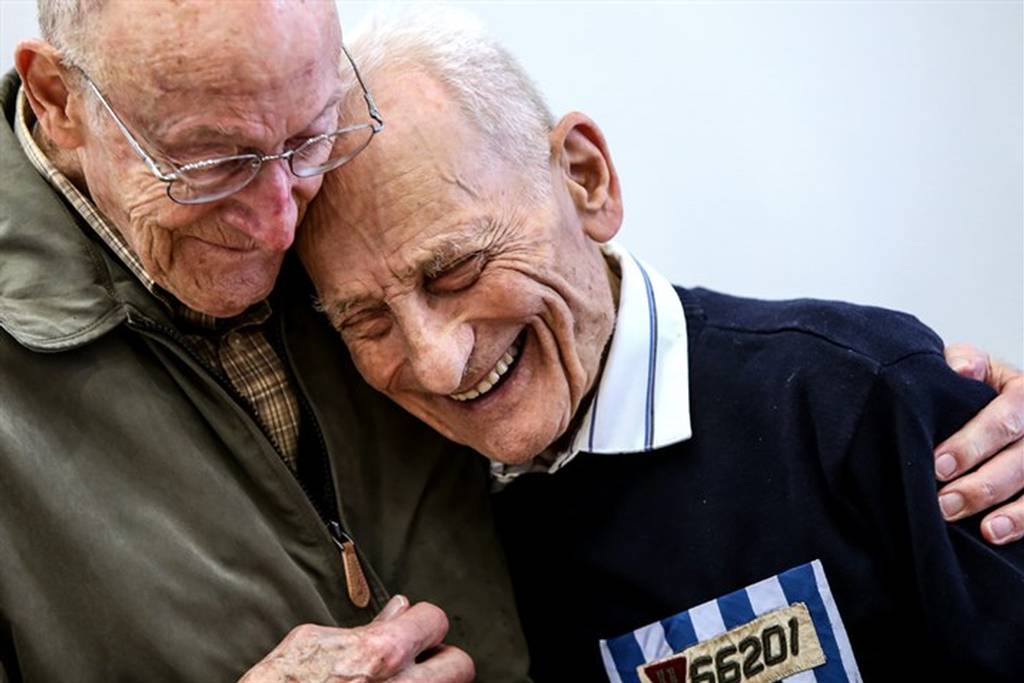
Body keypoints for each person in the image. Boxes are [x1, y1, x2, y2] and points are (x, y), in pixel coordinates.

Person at [297, 10, 1024, 681]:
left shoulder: (859, 401)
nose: (437, 362)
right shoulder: (414, 524)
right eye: (366, 320)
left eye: (456, 268)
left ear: (586, 179)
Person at [0, 1, 525, 681]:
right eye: (214, 162)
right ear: (58, 100)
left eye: (310, 138)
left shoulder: (375, 172)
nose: (280, 225)